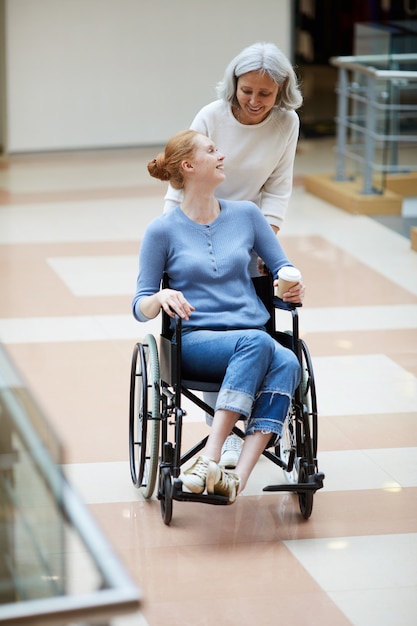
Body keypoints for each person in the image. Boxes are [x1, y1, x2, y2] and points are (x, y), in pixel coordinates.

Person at [132, 129, 305, 504]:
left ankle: (235, 480)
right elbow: (139, 305)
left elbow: (283, 266)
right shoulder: (161, 230)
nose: (221, 156)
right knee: (259, 341)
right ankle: (211, 456)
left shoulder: (247, 215)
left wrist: (290, 285)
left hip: (250, 338)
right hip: (197, 342)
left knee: (289, 361)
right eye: (212, 151)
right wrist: (161, 295)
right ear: (190, 166)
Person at [163, 42, 303, 469]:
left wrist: (267, 244)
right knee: (214, 322)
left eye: (266, 93)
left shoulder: (287, 124)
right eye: (247, 91)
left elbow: (278, 187)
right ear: (234, 85)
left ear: (281, 91)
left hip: (250, 225)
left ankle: (246, 439)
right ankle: (219, 436)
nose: (256, 101)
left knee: (249, 321)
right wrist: (173, 236)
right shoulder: (211, 115)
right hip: (199, 216)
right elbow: (182, 170)